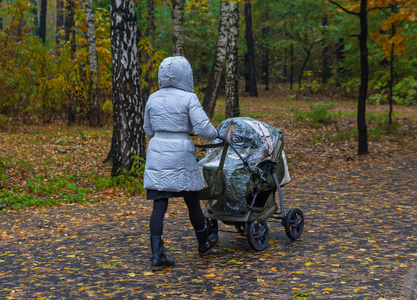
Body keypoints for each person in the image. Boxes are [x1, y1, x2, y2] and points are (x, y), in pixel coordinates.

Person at [143, 56, 219, 271]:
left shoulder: (153, 98)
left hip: (157, 151)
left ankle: (157, 256)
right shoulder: (189, 97)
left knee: (159, 205)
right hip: (181, 153)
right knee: (192, 200)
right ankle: (203, 243)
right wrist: (216, 135)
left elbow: (148, 129)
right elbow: (204, 129)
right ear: (186, 74)